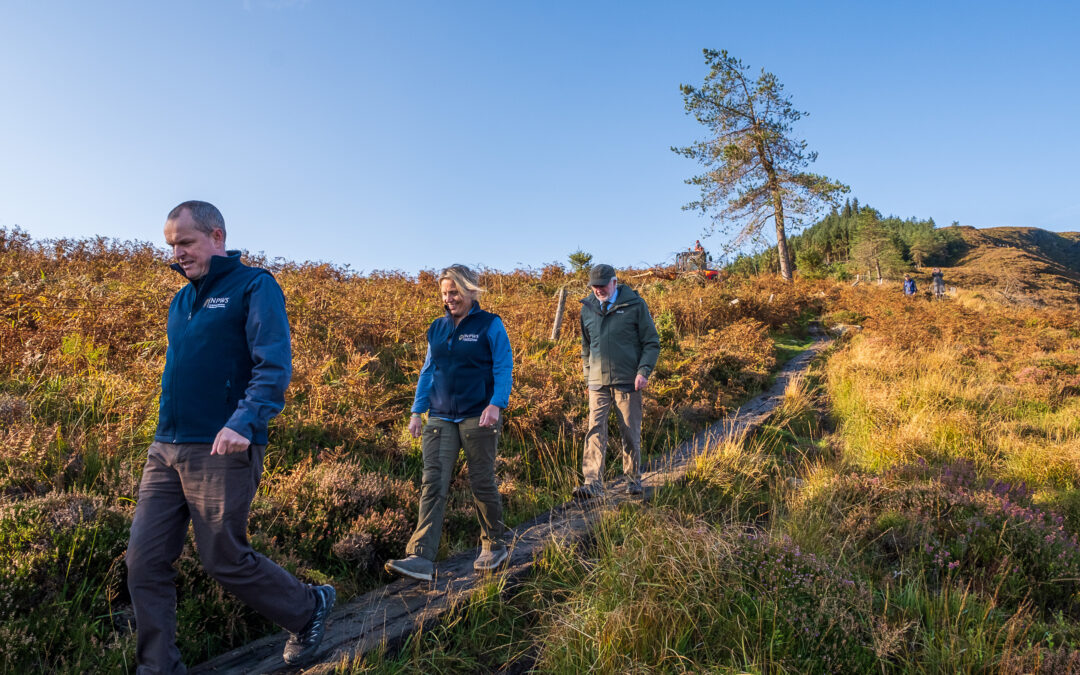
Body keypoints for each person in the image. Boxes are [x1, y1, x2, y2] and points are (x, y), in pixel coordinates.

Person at [125, 201, 335, 673]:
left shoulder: (254, 285)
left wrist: (244, 420)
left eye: (185, 242)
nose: (176, 253)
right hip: (166, 447)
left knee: (223, 557)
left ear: (216, 236)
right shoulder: (182, 300)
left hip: (222, 443)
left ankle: (308, 608)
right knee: (142, 562)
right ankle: (158, 668)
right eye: (170, 245)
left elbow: (274, 364)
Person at [385, 265, 514, 582]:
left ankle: (494, 545)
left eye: (454, 292)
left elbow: (503, 365)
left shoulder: (489, 324)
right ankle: (420, 557)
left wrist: (496, 404)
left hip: (478, 414)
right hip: (440, 416)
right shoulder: (437, 328)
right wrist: (417, 411)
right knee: (433, 483)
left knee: (481, 481)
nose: (449, 298)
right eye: (445, 293)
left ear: (471, 291)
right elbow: (428, 371)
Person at [573, 264, 660, 499]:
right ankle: (592, 484)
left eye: (602, 286)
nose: (598, 291)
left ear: (614, 282)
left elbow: (651, 342)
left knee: (630, 432)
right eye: (594, 287)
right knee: (594, 430)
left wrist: (643, 371)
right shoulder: (587, 308)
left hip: (628, 381)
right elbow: (586, 346)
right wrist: (587, 375)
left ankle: (633, 480)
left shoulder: (635, 305)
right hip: (597, 383)